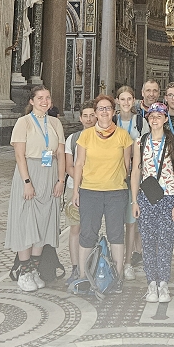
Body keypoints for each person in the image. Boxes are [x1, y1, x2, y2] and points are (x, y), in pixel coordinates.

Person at [72, 95, 133, 294]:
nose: (104, 112)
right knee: (87, 234)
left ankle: (117, 278)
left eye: (108, 108)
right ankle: (83, 276)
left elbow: (127, 165)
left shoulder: (123, 135)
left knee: (116, 234)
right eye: (100, 108)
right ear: (96, 112)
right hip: (90, 191)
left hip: (116, 192)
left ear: (114, 112)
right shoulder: (86, 136)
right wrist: (76, 190)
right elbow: (79, 164)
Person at [7, 86, 66, 292]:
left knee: (44, 223)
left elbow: (60, 153)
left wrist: (61, 180)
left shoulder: (55, 123)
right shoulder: (23, 122)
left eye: (47, 97)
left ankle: (33, 270)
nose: (44, 101)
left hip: (49, 175)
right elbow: (19, 155)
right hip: (30, 173)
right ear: (31, 101)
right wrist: (26, 182)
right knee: (26, 223)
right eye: (40, 97)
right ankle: (23, 272)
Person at [131, 103, 174, 302]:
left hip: (168, 197)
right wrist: (134, 200)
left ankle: (163, 283)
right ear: (148, 119)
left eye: (159, 116)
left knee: (166, 241)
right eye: (151, 116)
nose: (155, 120)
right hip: (146, 197)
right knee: (148, 241)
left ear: (165, 119)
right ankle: (151, 283)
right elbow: (136, 171)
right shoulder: (140, 142)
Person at [64, 101, 97, 282]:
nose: (89, 119)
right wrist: (80, 180)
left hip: (95, 188)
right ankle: (76, 267)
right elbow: (69, 165)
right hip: (74, 187)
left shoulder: (102, 136)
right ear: (80, 118)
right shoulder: (72, 139)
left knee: (90, 229)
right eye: (85, 116)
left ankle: (89, 266)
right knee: (75, 228)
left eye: (92, 115)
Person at [115, 86, 145, 280]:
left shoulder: (140, 122)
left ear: (134, 101)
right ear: (117, 101)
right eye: (122, 99)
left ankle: (128, 262)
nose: (126, 103)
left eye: (129, 99)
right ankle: (116, 261)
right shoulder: (112, 120)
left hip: (135, 176)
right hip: (114, 176)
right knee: (115, 221)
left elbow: (148, 147)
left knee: (131, 221)